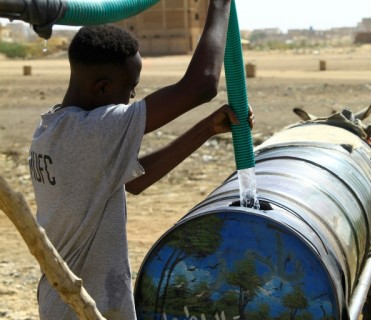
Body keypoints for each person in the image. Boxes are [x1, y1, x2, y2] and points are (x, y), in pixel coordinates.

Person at [28, 0, 253, 318]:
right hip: (85, 310)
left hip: (63, 303)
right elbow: (201, 85)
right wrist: (219, 5)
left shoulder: (52, 127)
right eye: (131, 90)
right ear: (103, 87)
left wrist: (205, 130)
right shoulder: (95, 131)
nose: (131, 98)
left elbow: (134, 181)